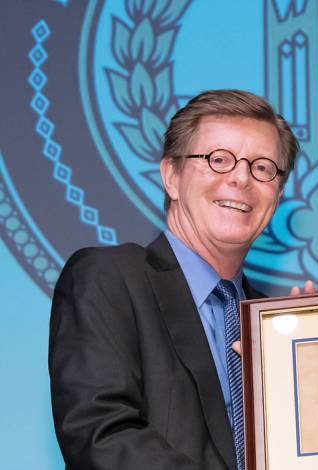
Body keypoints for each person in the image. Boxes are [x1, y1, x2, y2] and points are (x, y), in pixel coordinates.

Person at [49, 89, 302, 469]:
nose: (241, 178)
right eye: (219, 160)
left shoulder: (271, 323)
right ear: (171, 176)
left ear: (277, 195)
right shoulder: (111, 279)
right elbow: (100, 437)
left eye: (262, 167)